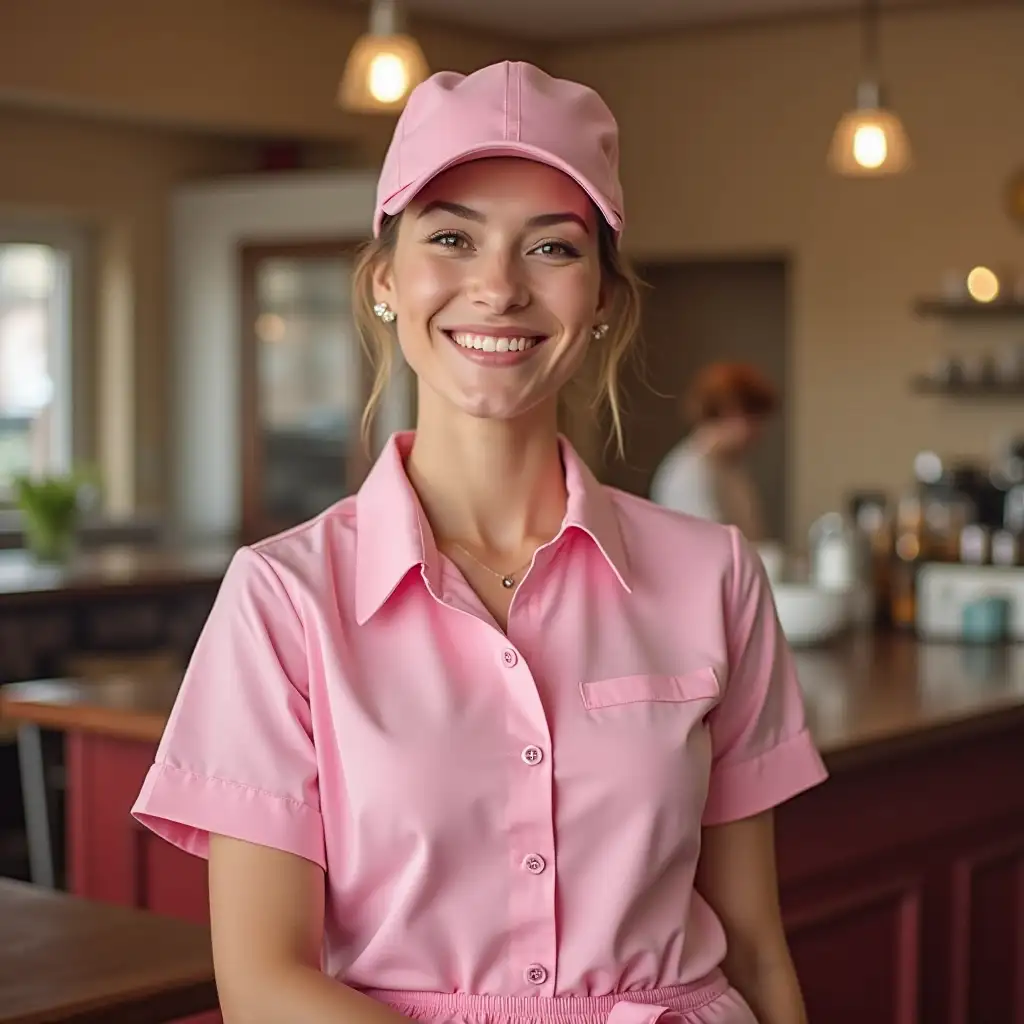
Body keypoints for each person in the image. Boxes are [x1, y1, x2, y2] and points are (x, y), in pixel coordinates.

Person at [132, 62, 826, 1024]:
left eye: (552, 248)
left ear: (604, 303)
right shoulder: (282, 598)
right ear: (385, 282)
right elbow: (264, 984)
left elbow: (754, 945)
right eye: (452, 238)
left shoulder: (716, 575)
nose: (497, 288)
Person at [650, 363, 778, 541]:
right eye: (756, 420)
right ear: (730, 410)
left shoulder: (730, 468)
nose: (760, 432)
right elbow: (714, 552)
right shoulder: (691, 474)